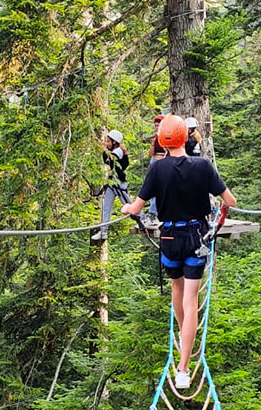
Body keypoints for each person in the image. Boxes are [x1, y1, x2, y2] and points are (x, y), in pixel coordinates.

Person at [120, 115, 236, 389]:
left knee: (177, 290)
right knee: (191, 298)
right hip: (196, 236)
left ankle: (184, 340)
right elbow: (229, 200)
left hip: (170, 237)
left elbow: (136, 207)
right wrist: (222, 206)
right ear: (185, 137)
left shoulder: (157, 169)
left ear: (162, 140)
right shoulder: (203, 166)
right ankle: (183, 367)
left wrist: (127, 209)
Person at [91, 129, 146, 241]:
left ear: (114, 142)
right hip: (113, 183)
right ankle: (103, 231)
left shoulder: (118, 151)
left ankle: (143, 218)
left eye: (108, 141)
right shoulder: (117, 150)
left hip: (119, 183)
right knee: (106, 208)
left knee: (129, 205)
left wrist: (102, 149)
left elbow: (110, 160)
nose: (106, 143)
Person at [145, 114, 166, 227]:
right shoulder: (154, 137)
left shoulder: (166, 136)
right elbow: (150, 154)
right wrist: (153, 142)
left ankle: (155, 212)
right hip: (154, 161)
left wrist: (160, 138)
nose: (156, 127)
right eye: (155, 125)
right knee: (153, 187)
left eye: (158, 125)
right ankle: (153, 212)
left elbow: (167, 151)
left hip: (163, 161)